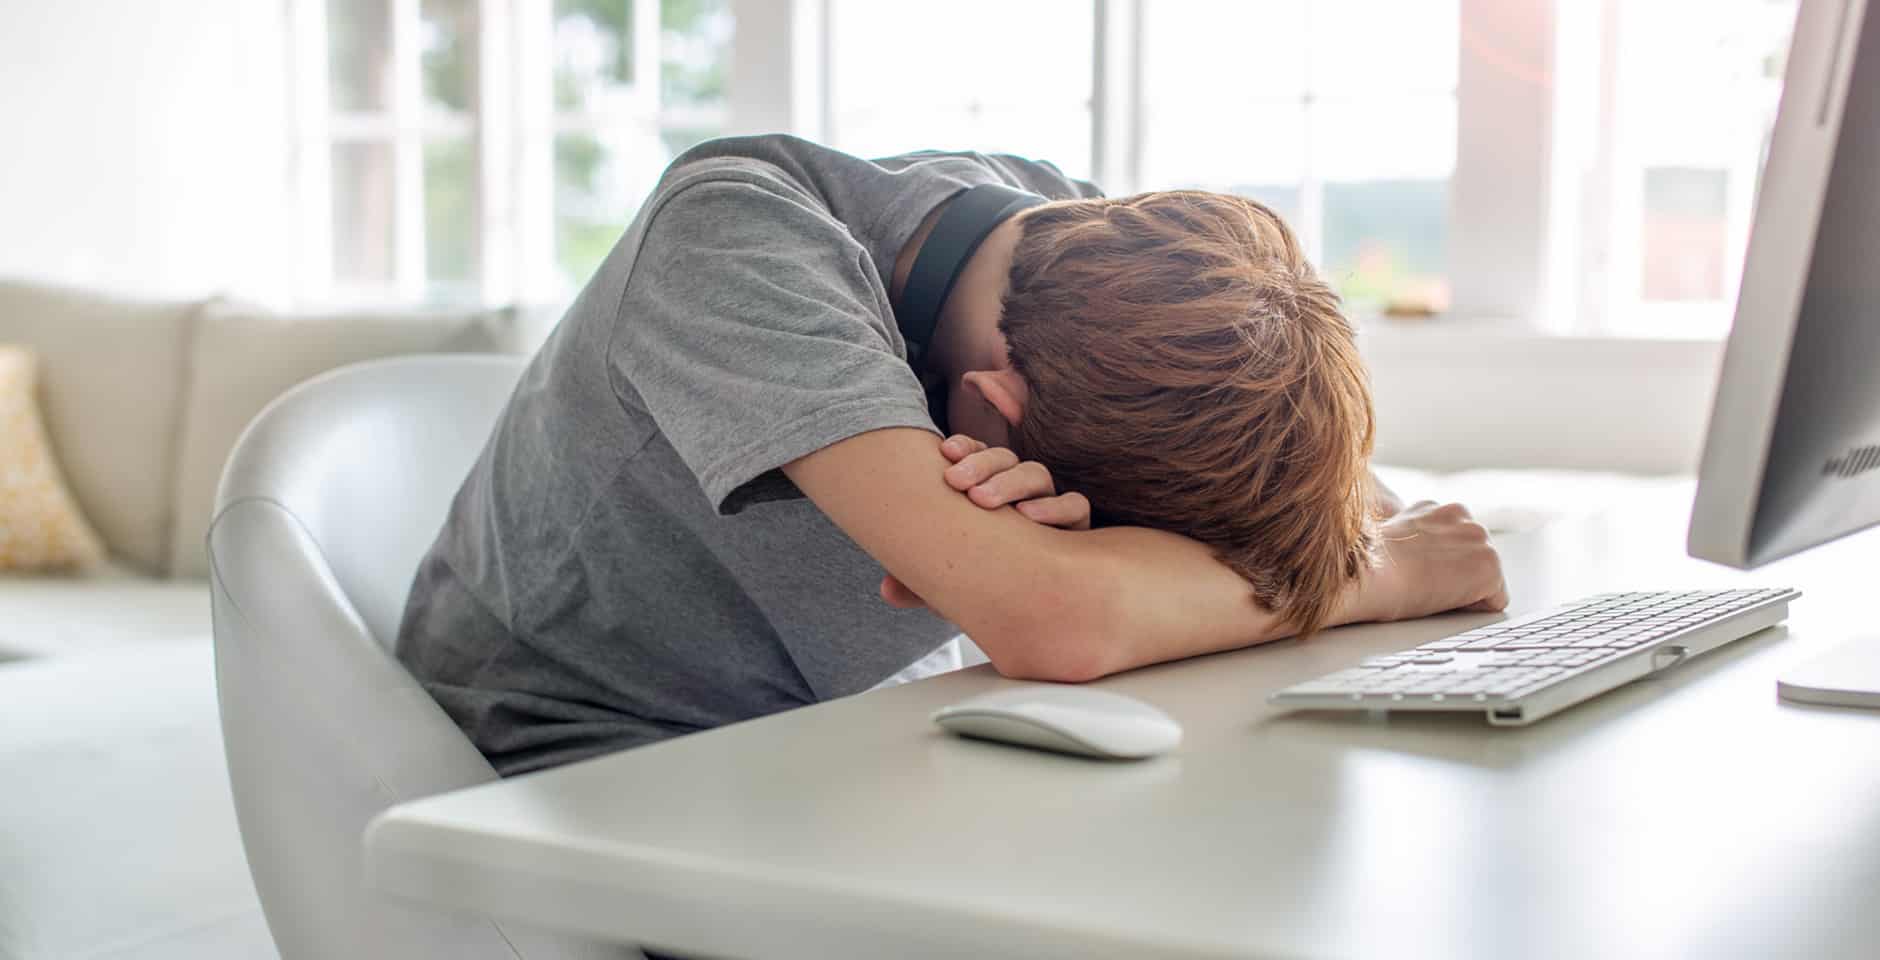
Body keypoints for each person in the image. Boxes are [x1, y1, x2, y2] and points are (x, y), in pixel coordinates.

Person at [396, 134, 1508, 776]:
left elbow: (1327, 506)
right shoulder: (731, 240)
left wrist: (1209, 561)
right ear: (987, 410)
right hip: (591, 765)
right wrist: (1382, 574)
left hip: (855, 727)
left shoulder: (1083, 247)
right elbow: (1059, 623)